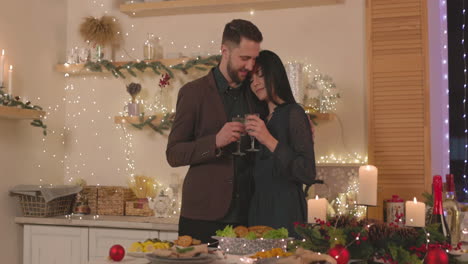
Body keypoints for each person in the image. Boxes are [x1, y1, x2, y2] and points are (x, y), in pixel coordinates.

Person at [166, 19, 266, 243]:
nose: (250, 66)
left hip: (247, 218)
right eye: (244, 58)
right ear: (225, 51)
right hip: (202, 217)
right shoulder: (193, 93)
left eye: (254, 59)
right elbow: (173, 154)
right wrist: (215, 142)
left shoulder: (254, 92)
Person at [245, 50, 316, 236]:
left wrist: (268, 139)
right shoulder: (261, 118)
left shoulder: (294, 113)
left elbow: (307, 173)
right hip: (258, 209)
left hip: (285, 209)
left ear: (275, 74)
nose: (256, 83)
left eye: (260, 75)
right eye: (251, 79)